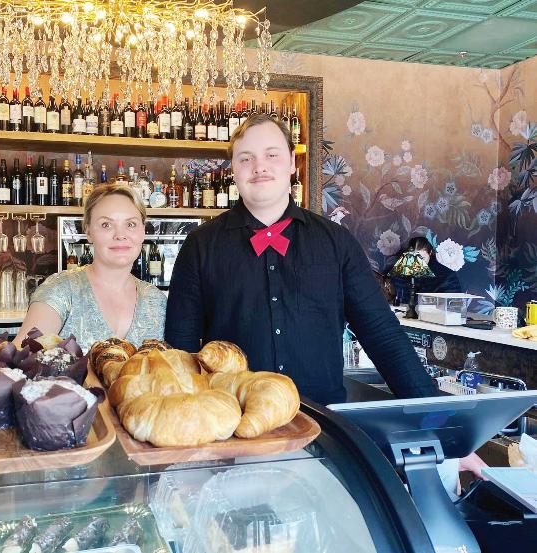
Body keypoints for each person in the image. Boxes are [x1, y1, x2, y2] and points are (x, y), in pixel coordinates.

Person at [165, 113, 486, 483]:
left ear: (291, 163)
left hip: (326, 440)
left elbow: (384, 336)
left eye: (271, 155)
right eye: (246, 158)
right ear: (233, 170)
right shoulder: (200, 247)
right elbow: (181, 355)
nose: (259, 167)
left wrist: (445, 433)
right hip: (231, 440)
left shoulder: (336, 243)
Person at [14, 184, 167, 351]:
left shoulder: (156, 301)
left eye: (131, 224)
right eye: (106, 225)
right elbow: (20, 357)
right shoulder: (61, 289)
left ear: (143, 230)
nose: (120, 235)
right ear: (88, 231)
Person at [390, 236, 462, 304]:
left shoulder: (446, 276)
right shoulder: (399, 273)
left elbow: (454, 304)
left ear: (430, 253)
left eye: (422, 258)